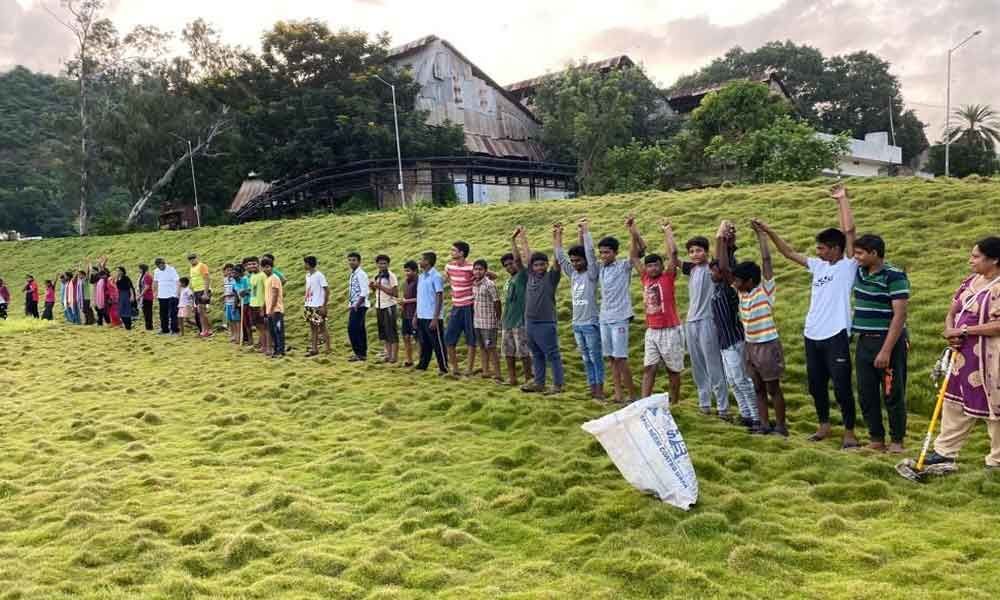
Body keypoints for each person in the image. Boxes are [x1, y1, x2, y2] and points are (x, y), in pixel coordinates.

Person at [755, 184, 859, 448]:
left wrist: (842, 200)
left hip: (836, 334)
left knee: (842, 385)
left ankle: (849, 432)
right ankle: (824, 425)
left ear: (835, 248)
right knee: (816, 385)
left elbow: (849, 231)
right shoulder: (818, 265)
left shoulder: (848, 266)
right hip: (812, 333)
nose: (818, 252)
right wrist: (768, 230)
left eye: (823, 248)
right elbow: (788, 252)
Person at [918, 237, 1000, 472]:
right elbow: (953, 310)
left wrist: (964, 330)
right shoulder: (971, 281)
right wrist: (950, 332)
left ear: (994, 259)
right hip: (963, 356)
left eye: (976, 256)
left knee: (995, 408)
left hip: (991, 358)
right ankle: (945, 452)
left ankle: (997, 461)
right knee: (954, 402)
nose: (970, 260)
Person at [853, 233, 911, 453]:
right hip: (864, 342)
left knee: (892, 392)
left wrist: (886, 350)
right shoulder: (859, 272)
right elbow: (849, 232)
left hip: (889, 343)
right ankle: (876, 438)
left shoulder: (894, 276)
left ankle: (897, 441)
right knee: (866, 393)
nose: (855, 257)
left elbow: (899, 315)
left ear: (874, 254)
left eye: (860, 253)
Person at [729, 223, 788, 436]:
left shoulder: (764, 290)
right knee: (758, 388)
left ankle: (781, 427)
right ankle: (764, 424)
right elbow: (728, 269)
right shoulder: (741, 293)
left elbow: (766, 261)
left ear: (750, 281)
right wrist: (725, 240)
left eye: (737, 280)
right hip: (751, 345)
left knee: (773, 388)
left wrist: (761, 235)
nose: (733, 283)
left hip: (767, 345)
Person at [629, 217, 684, 404]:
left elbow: (674, 253)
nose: (652, 268)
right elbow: (634, 257)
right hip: (652, 330)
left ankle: (674, 403)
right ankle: (644, 403)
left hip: (670, 329)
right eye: (649, 265)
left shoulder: (668, 277)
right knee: (649, 368)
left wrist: (667, 231)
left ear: (661, 266)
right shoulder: (645, 278)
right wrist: (633, 231)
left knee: (673, 370)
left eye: (655, 265)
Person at [712, 221, 760, 429]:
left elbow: (725, 265)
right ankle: (745, 414)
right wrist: (727, 243)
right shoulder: (717, 289)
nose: (712, 273)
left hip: (734, 340)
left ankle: (757, 417)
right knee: (733, 381)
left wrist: (720, 239)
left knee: (741, 380)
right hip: (724, 341)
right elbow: (723, 264)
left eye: (714, 271)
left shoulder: (731, 290)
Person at [555, 218, 604, 401]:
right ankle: (592, 388)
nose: (575, 264)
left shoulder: (592, 274)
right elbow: (560, 257)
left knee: (595, 357)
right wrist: (558, 234)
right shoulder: (573, 275)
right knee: (586, 358)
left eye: (578, 260)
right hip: (577, 324)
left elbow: (590, 253)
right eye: (573, 261)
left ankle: (600, 390)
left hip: (591, 323)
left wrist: (585, 232)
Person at [682, 233, 729, 418]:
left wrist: (720, 234)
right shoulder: (692, 270)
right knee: (697, 365)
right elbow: (673, 257)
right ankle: (704, 404)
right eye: (691, 251)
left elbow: (719, 257)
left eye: (699, 250)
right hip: (691, 322)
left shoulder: (712, 268)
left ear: (706, 252)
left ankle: (723, 407)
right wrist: (668, 231)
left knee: (713, 364)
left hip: (708, 320)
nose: (694, 254)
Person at [514, 225, 564, 395]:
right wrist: (522, 236)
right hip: (530, 322)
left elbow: (558, 260)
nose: (540, 267)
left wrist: (557, 235)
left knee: (552, 354)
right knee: (536, 354)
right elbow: (527, 256)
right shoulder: (530, 276)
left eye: (543, 264)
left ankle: (557, 385)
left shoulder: (551, 277)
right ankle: (539, 382)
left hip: (546, 323)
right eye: (537, 265)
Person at [597, 225, 638, 403]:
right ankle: (618, 394)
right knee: (612, 358)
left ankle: (632, 395)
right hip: (604, 317)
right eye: (601, 252)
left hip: (620, 317)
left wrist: (632, 231)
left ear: (615, 252)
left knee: (621, 358)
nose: (604, 255)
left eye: (607, 252)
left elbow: (635, 252)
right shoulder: (601, 269)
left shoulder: (623, 266)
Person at [443, 241, 477, 377]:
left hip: (469, 306)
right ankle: (455, 368)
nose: (451, 253)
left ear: (461, 253)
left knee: (471, 339)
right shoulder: (449, 266)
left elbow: (488, 274)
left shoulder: (471, 267)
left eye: (453, 250)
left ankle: (469, 369)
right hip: (456, 306)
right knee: (449, 338)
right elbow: (445, 279)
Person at [500, 247, 533, 387]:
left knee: (524, 352)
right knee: (508, 351)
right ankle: (512, 378)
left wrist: (514, 241)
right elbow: (506, 302)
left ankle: (528, 379)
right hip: (508, 321)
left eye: (511, 263)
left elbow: (520, 260)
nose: (509, 266)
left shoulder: (522, 275)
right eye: (506, 265)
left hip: (520, 321)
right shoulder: (508, 281)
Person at [414, 251, 448, 374]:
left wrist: (435, 317)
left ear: (427, 261)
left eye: (421, 259)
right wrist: (416, 315)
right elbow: (420, 297)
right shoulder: (421, 276)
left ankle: (444, 367)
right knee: (425, 343)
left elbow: (440, 296)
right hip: (422, 315)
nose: (419, 261)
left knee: (438, 344)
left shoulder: (436, 276)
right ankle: (423, 365)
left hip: (432, 316)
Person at [472, 258, 502, 382]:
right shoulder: (474, 284)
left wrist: (498, 319)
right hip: (477, 321)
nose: (478, 272)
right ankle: (486, 370)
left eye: (480, 269)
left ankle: (498, 373)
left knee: (491, 347)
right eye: (476, 269)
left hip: (489, 322)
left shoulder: (490, 284)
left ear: (485, 271)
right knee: (482, 347)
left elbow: (497, 302)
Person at [371, 254, 400, 364]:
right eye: (380, 263)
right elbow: (376, 291)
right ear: (377, 264)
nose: (382, 265)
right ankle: (387, 355)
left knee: (391, 331)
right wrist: (373, 287)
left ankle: (394, 356)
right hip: (379, 306)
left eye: (384, 263)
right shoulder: (377, 276)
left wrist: (380, 287)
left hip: (389, 306)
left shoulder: (391, 276)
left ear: (388, 264)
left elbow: (395, 293)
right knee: (384, 333)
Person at [303, 255, 331, 356]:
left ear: (309, 264)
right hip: (309, 304)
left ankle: (328, 348)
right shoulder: (308, 275)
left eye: (305, 263)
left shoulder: (319, 275)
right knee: (313, 328)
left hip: (317, 305)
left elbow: (327, 290)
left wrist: (324, 305)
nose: (304, 265)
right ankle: (314, 349)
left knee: (322, 327)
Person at [347, 252, 369, 361]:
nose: (351, 262)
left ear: (359, 261)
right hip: (355, 305)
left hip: (359, 305)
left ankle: (359, 353)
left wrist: (357, 304)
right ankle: (362, 353)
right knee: (359, 329)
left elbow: (364, 291)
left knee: (353, 329)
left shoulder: (361, 274)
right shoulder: (353, 274)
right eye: (350, 260)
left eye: (354, 260)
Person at [262, 256, 285, 358]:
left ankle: (280, 350)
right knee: (272, 331)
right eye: (264, 267)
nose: (266, 269)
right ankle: (276, 350)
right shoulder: (267, 279)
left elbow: (275, 294)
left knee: (278, 330)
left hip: (276, 310)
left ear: (271, 267)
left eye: (268, 267)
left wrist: (271, 309)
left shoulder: (275, 278)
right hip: (270, 310)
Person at [248, 257, 270, 355]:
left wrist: (263, 306)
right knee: (258, 326)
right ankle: (262, 345)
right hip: (252, 304)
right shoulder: (252, 276)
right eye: (250, 264)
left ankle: (266, 346)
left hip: (260, 305)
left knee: (263, 327)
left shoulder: (263, 276)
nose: (252, 266)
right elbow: (253, 290)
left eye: (254, 264)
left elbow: (266, 291)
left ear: (258, 264)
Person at [152, 258, 180, 335]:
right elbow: (155, 282)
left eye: (161, 265)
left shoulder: (171, 269)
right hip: (162, 295)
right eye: (158, 266)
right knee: (163, 313)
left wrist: (177, 292)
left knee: (173, 313)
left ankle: (174, 330)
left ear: (164, 263)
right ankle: (164, 329)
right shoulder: (156, 271)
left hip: (172, 295)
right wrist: (154, 293)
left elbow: (177, 281)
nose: (160, 267)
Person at [400, 260, 419, 367]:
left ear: (415, 271)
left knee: (417, 339)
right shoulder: (406, 282)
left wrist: (406, 301)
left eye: (408, 271)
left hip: (415, 313)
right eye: (405, 271)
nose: (406, 273)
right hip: (405, 313)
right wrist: (402, 303)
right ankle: (409, 360)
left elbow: (420, 298)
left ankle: (420, 360)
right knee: (406, 337)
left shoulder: (418, 282)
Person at [187, 253, 212, 337]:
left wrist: (205, 292)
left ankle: (208, 330)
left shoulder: (202, 266)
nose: (192, 260)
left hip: (202, 290)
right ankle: (204, 330)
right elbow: (193, 280)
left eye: (193, 258)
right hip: (196, 291)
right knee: (200, 312)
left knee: (202, 311)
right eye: (190, 259)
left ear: (197, 258)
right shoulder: (191, 268)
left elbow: (207, 278)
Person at [232, 263, 252, 346]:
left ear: (240, 273)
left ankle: (251, 340)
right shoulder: (234, 284)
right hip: (241, 304)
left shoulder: (245, 279)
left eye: (235, 273)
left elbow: (250, 290)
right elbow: (236, 295)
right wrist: (234, 306)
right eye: (232, 273)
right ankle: (246, 339)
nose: (233, 275)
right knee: (244, 323)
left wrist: (245, 292)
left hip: (249, 303)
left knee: (249, 323)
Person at [222, 264, 239, 342]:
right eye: (227, 270)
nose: (229, 272)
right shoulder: (225, 280)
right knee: (230, 320)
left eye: (231, 270)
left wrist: (230, 294)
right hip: (227, 302)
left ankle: (237, 335)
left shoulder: (235, 280)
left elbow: (236, 292)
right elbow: (225, 290)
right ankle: (233, 335)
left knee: (235, 319)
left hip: (233, 302)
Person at [137, 264, 155, 331]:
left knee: (148, 312)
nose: (138, 270)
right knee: (145, 312)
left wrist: (140, 295)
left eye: (139, 268)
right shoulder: (142, 276)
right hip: (144, 296)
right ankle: (147, 326)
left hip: (147, 296)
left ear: (142, 269)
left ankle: (149, 327)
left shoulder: (147, 276)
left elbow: (147, 287)